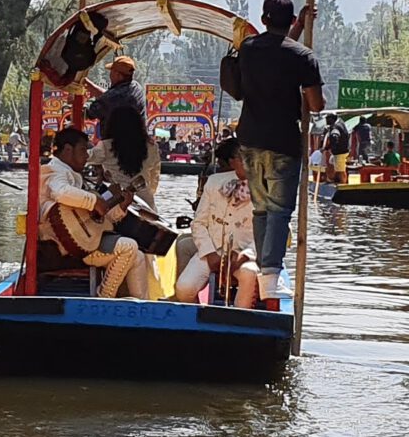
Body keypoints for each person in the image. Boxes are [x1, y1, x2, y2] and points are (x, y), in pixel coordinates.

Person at [220, 0, 324, 284]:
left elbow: (275, 48)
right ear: (290, 20)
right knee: (278, 212)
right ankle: (269, 276)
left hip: (250, 141)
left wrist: (298, 28)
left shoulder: (249, 48)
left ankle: (265, 271)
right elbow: (315, 105)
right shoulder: (304, 57)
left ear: (264, 20)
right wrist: (311, 94)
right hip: (283, 143)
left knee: (262, 209)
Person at [41, 126, 151, 298]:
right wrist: (94, 201)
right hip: (62, 246)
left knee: (137, 256)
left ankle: (141, 306)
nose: (87, 156)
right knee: (128, 246)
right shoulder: (54, 171)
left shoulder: (76, 176)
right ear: (68, 150)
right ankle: (104, 298)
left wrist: (121, 207)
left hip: (83, 240)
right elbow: (60, 192)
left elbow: (100, 220)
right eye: (83, 150)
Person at [174, 139, 271, 307]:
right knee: (184, 288)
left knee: (248, 273)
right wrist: (209, 253)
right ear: (234, 162)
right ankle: (198, 317)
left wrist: (246, 254)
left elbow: (272, 230)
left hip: (245, 254)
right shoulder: (214, 182)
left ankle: (241, 318)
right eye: (242, 159)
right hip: (213, 250)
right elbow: (198, 223)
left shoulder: (268, 187)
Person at [88, 55, 158, 205]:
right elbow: (154, 177)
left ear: (118, 75)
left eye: (111, 72)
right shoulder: (136, 88)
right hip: (146, 201)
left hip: (116, 201)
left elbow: (92, 112)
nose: (110, 75)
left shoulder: (106, 148)